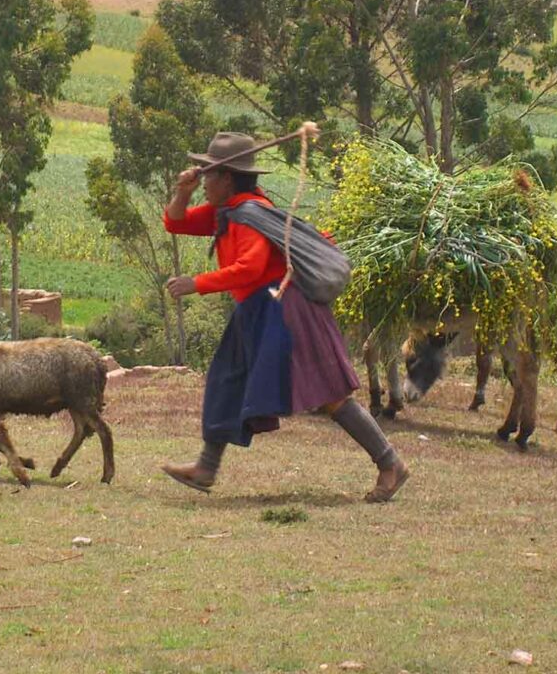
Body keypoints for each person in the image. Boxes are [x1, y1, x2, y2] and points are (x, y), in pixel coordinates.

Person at [160, 132, 410, 502]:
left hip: (288, 310)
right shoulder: (227, 212)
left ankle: (391, 464)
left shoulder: (249, 215)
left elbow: (250, 267)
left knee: (329, 394)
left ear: (227, 177)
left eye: (208, 174)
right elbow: (175, 222)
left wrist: (196, 283)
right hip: (256, 311)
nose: (204, 181)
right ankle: (206, 468)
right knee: (226, 379)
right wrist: (183, 190)